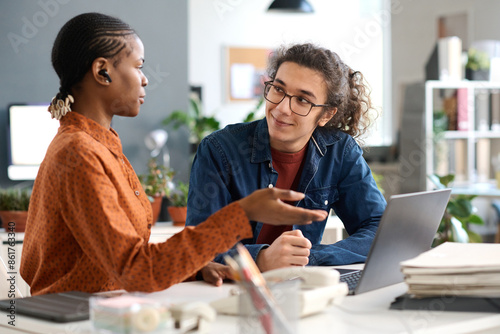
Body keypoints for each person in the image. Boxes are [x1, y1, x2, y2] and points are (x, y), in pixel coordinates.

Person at [19, 13, 328, 296]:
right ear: (102, 71)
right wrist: (243, 212)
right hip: (75, 321)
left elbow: (122, 258)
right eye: (138, 66)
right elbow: (137, 272)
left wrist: (190, 268)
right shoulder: (78, 153)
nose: (145, 78)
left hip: (106, 312)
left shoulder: (100, 145)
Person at [186, 43, 387, 285]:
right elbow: (198, 247)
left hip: (303, 287)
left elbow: (379, 228)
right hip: (236, 292)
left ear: (326, 115)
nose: (281, 108)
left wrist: (306, 258)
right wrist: (260, 258)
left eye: (302, 100)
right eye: (278, 89)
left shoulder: (340, 151)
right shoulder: (219, 151)